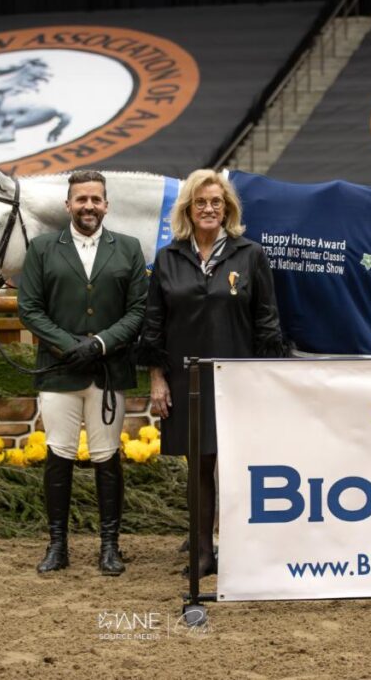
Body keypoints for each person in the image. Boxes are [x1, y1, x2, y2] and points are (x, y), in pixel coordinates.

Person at [137, 169, 287, 578]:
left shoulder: (250, 254)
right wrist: (157, 378)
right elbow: (153, 325)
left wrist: (265, 380)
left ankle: (240, 550)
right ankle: (203, 553)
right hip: (187, 379)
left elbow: (267, 322)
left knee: (238, 466)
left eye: (216, 202)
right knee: (199, 466)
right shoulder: (168, 258)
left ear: (227, 209)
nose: (208, 209)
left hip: (238, 379)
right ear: (188, 209)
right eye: (200, 202)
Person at [18, 170, 148, 576]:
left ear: (106, 205)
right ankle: (57, 545)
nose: (88, 206)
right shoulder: (43, 249)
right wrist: (69, 345)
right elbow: (30, 308)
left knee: (107, 456)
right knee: (59, 453)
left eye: (95, 199)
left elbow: (138, 310)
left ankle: (110, 546)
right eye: (81, 199)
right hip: (60, 370)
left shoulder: (128, 248)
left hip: (108, 371)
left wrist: (100, 344)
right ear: (68, 205)